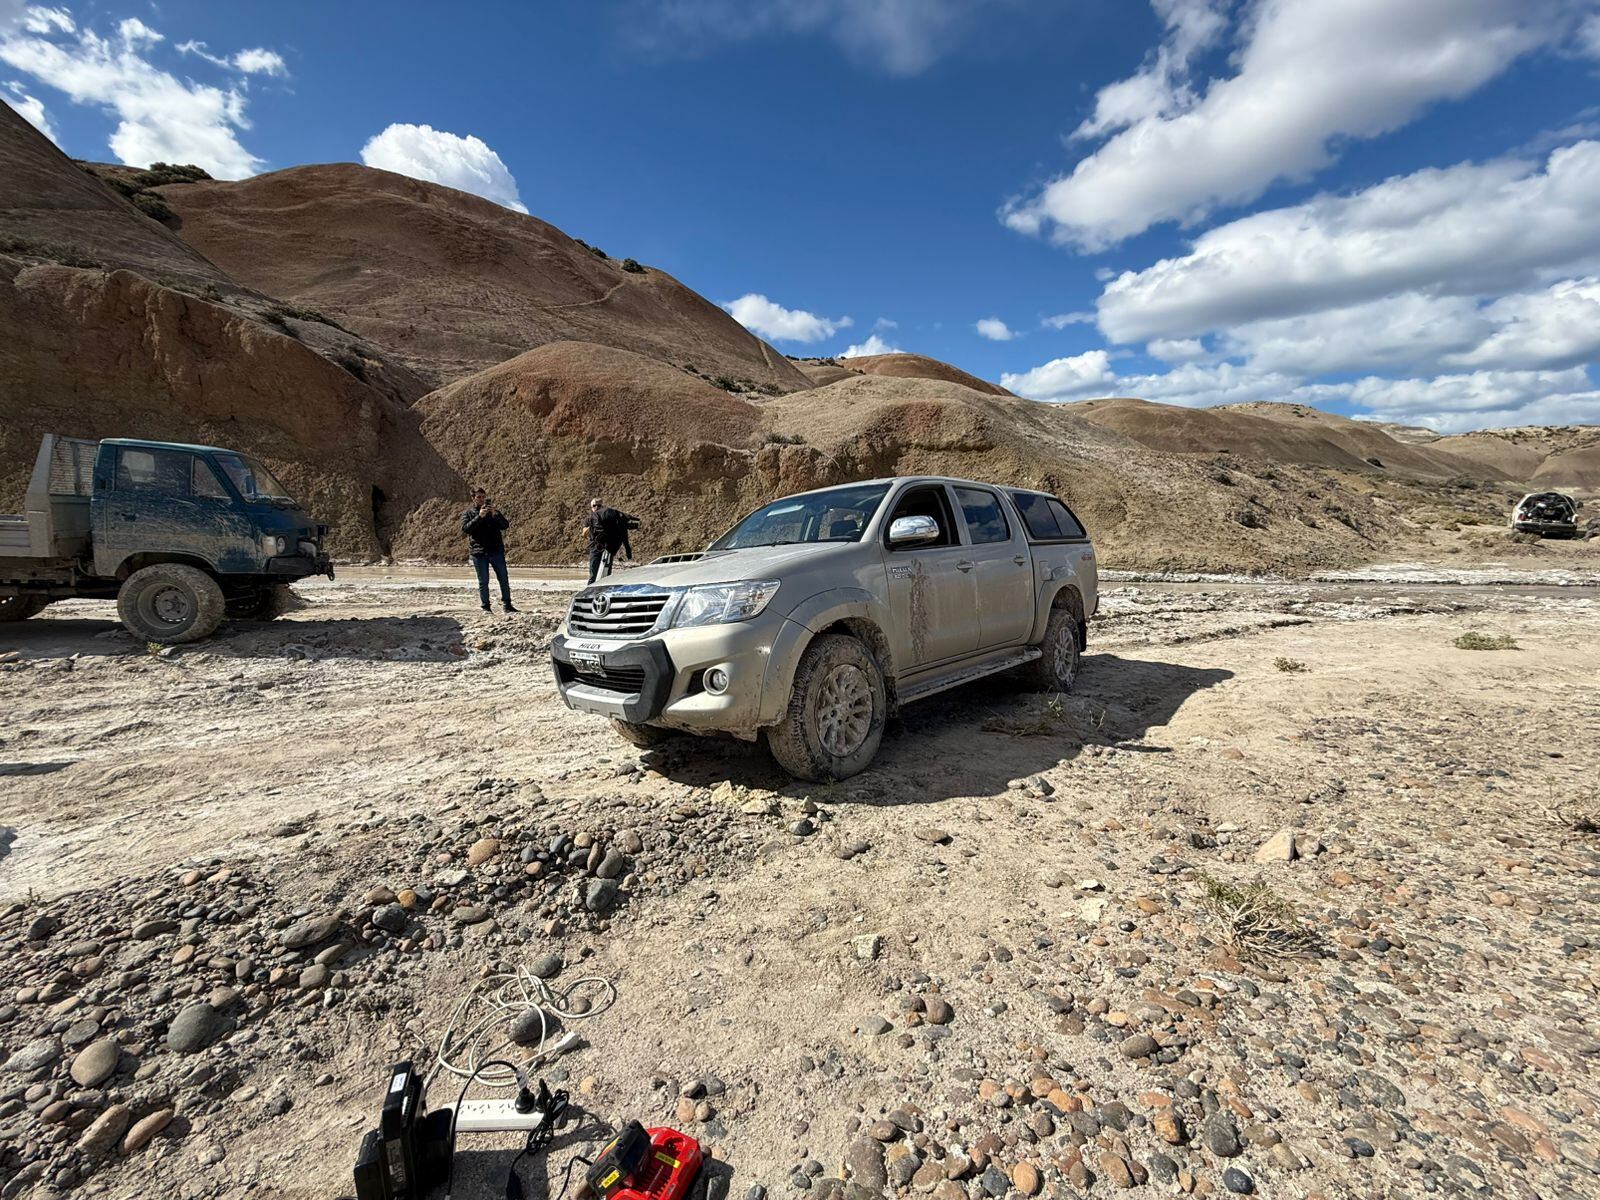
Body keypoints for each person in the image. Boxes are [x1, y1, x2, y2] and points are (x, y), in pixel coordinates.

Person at [462, 487, 517, 613]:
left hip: (496, 551)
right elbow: (466, 529)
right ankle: (486, 607)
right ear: (473, 498)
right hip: (479, 552)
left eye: (483, 497)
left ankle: (507, 605)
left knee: (503, 578)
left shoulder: (493, 512)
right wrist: (479, 517)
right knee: (483, 581)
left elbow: (505, 525)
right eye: (479, 497)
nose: (482, 499)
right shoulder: (468, 513)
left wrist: (495, 514)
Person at [581, 497, 637, 585]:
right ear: (591, 507)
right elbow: (584, 534)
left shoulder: (608, 517)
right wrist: (592, 526)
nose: (596, 507)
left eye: (598, 505)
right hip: (595, 548)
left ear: (602, 506)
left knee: (606, 573)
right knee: (593, 574)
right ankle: (590, 590)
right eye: (594, 505)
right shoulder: (589, 519)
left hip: (608, 548)